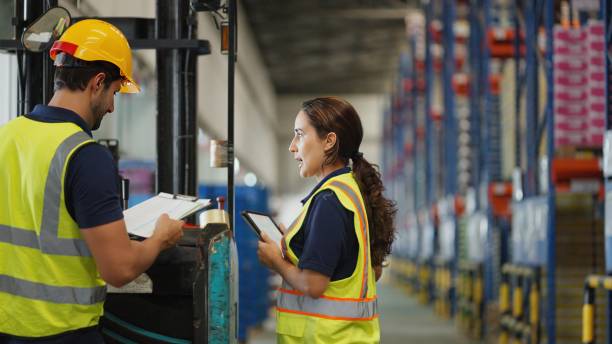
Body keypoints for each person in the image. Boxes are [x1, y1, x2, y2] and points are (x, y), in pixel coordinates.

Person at [0, 19, 184, 343]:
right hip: (61, 332)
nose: (112, 106)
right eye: (114, 92)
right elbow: (120, 269)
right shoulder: (85, 155)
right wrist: (160, 238)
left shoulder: (6, 135)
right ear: (98, 82)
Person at [257, 96, 397, 343]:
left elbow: (314, 285)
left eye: (300, 134)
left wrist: (275, 261)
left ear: (329, 141)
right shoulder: (351, 190)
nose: (292, 146)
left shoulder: (329, 201)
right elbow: (369, 272)